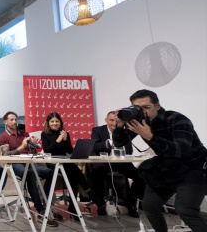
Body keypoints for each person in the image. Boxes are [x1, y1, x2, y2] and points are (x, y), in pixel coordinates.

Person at [113, 89, 207, 232]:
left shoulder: (177, 119)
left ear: (157, 105)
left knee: (185, 209)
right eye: (139, 108)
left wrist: (151, 137)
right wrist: (120, 126)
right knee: (150, 206)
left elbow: (182, 151)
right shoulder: (139, 122)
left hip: (195, 167)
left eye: (147, 107)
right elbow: (119, 143)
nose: (143, 112)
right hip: (169, 167)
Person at [0, 111, 60, 227]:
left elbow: (32, 152)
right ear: (5, 122)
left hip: (29, 162)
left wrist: (32, 147)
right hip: (15, 164)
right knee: (30, 173)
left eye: (16, 119)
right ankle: (40, 211)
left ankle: (46, 207)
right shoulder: (3, 136)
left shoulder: (24, 133)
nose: (15, 122)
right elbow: (5, 154)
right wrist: (22, 146)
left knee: (50, 172)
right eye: (12, 120)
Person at [41, 112, 107, 219]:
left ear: (60, 122)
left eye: (57, 121)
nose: (55, 123)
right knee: (74, 171)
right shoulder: (44, 134)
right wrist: (58, 140)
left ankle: (73, 206)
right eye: (52, 121)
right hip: (52, 163)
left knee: (73, 176)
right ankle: (88, 195)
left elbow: (70, 150)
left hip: (65, 162)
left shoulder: (65, 133)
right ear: (48, 123)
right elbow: (48, 150)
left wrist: (66, 139)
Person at [90, 111, 145, 218]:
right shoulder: (98, 130)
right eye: (111, 120)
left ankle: (131, 202)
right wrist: (110, 143)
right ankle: (100, 204)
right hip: (103, 163)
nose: (114, 123)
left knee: (141, 176)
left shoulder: (124, 131)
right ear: (106, 120)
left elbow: (129, 150)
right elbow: (95, 146)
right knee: (95, 173)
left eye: (117, 120)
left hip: (121, 163)